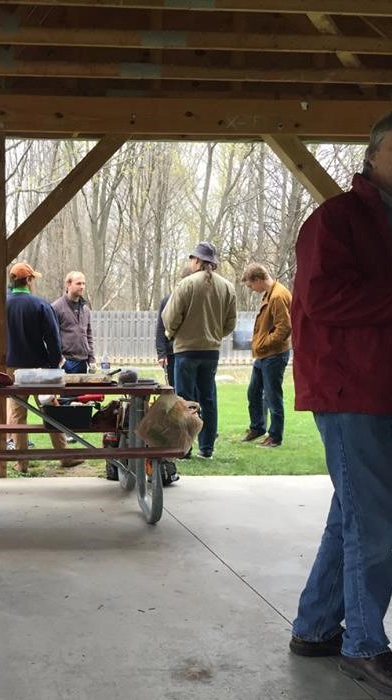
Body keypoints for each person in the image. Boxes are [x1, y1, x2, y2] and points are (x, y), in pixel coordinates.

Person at [288, 112, 392, 694]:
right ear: (373, 155)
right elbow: (325, 301)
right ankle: (365, 645)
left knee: (352, 516)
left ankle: (315, 628)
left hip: (383, 390)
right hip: (352, 392)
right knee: (376, 525)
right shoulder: (337, 220)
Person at [6, 262, 84, 473]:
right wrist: (52, 366)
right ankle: (64, 456)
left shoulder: (2, 304)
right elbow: (53, 338)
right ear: (29, 280)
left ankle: (21, 463)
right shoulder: (40, 305)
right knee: (51, 410)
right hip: (40, 369)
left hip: (12, 368)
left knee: (17, 415)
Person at [161, 242, 237, 460]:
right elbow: (230, 323)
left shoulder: (186, 284)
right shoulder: (227, 287)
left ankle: (184, 448)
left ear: (197, 260)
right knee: (209, 399)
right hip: (211, 351)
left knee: (185, 401)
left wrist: (172, 333)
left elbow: (170, 317)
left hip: (186, 349)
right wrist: (214, 334)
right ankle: (207, 449)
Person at [240, 263, 292, 448]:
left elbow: (284, 329)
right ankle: (258, 427)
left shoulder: (278, 296)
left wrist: (263, 343)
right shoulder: (270, 295)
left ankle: (275, 436)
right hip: (264, 355)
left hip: (274, 355)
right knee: (253, 392)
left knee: (272, 396)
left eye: (250, 285)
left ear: (258, 279)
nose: (251, 289)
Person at [51, 270, 96, 374]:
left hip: (83, 363)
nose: (82, 287)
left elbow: (88, 335)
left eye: (84, 283)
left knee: (82, 391)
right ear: (68, 284)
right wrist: (61, 360)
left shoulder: (85, 309)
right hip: (66, 363)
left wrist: (92, 359)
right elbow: (51, 337)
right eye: (78, 283)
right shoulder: (56, 307)